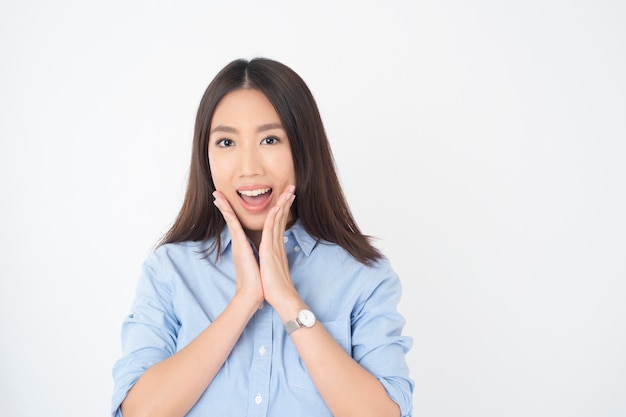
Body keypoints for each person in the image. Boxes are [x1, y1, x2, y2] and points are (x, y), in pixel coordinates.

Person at [111, 57, 414, 417]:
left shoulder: (363, 275)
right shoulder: (170, 271)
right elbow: (138, 412)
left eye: (270, 139)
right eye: (226, 142)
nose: (249, 167)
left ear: (303, 149)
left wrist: (287, 300)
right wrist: (244, 301)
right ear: (205, 156)